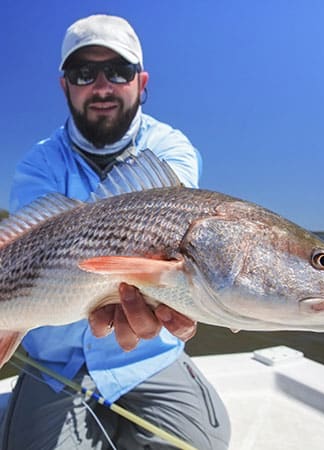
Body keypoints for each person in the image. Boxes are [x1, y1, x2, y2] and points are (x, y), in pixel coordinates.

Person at [1, 14, 231, 450]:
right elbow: (21, 253)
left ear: (141, 82)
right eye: (83, 73)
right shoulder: (38, 163)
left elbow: (172, 226)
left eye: (119, 71)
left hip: (148, 357)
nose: (102, 86)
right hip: (54, 360)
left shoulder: (170, 148)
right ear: (64, 85)